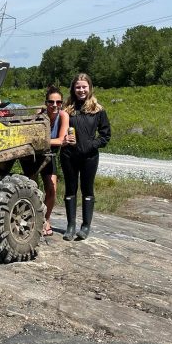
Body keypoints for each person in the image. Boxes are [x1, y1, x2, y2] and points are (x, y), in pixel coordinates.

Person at [60, 73, 111, 241]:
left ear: (89, 88)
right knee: (70, 189)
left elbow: (105, 135)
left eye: (84, 87)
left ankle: (86, 226)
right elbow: (56, 128)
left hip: (89, 157)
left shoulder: (98, 110)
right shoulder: (66, 109)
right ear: (73, 89)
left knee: (87, 190)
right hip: (69, 155)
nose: (81, 90)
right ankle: (70, 226)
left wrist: (92, 145)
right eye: (78, 87)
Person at [41, 86, 69, 236]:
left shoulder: (63, 115)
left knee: (52, 190)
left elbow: (61, 140)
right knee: (32, 189)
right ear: (46, 102)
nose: (55, 105)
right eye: (51, 102)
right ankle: (35, 219)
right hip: (34, 157)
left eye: (58, 102)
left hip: (50, 156)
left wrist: (44, 141)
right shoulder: (40, 114)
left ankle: (46, 219)